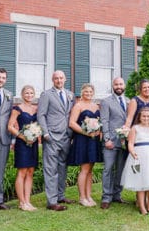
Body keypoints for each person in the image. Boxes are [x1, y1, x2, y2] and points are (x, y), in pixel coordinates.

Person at [37, 70, 75, 211]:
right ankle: (52, 202)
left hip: (66, 136)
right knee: (50, 168)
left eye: (61, 78)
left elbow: (70, 114)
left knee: (62, 168)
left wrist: (71, 134)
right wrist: (45, 133)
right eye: (56, 78)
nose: (59, 80)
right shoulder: (46, 95)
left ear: (65, 79)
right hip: (51, 136)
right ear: (52, 80)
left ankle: (60, 195)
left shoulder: (70, 94)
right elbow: (41, 115)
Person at [68, 83, 102, 207]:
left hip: (94, 140)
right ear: (82, 93)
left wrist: (98, 131)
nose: (88, 94)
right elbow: (72, 123)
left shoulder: (96, 106)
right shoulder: (78, 106)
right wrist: (86, 132)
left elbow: (99, 122)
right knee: (84, 169)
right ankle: (82, 197)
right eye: (86, 91)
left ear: (93, 93)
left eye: (90, 92)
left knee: (90, 169)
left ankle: (89, 195)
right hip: (83, 139)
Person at [7, 85, 39, 211]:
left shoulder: (36, 108)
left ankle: (27, 201)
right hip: (22, 143)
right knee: (22, 171)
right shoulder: (17, 108)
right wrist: (22, 137)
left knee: (30, 171)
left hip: (34, 142)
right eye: (26, 93)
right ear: (22, 94)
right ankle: (21, 202)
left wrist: (36, 134)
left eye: (31, 93)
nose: (29, 95)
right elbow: (10, 126)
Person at [100, 77, 128, 210]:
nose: (118, 86)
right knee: (108, 169)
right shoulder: (106, 102)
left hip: (124, 142)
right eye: (116, 84)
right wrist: (107, 139)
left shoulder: (129, 101)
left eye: (121, 84)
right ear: (113, 86)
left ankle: (117, 194)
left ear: (124, 85)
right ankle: (106, 197)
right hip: (111, 141)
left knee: (121, 170)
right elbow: (104, 121)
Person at [0, 68, 13, 210]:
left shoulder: (9, 95)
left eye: (3, 78)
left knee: (0, 171)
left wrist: (12, 139)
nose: (0, 80)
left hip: (4, 138)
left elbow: (10, 118)